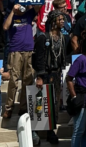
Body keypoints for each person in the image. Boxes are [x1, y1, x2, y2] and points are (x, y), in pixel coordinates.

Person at [33, 10, 72, 145]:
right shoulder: (43, 38)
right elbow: (38, 58)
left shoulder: (62, 37)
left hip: (56, 74)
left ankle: (51, 131)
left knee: (54, 104)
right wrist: (40, 76)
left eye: (63, 20)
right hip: (45, 74)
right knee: (40, 103)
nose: (62, 22)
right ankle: (36, 132)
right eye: (60, 20)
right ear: (53, 22)